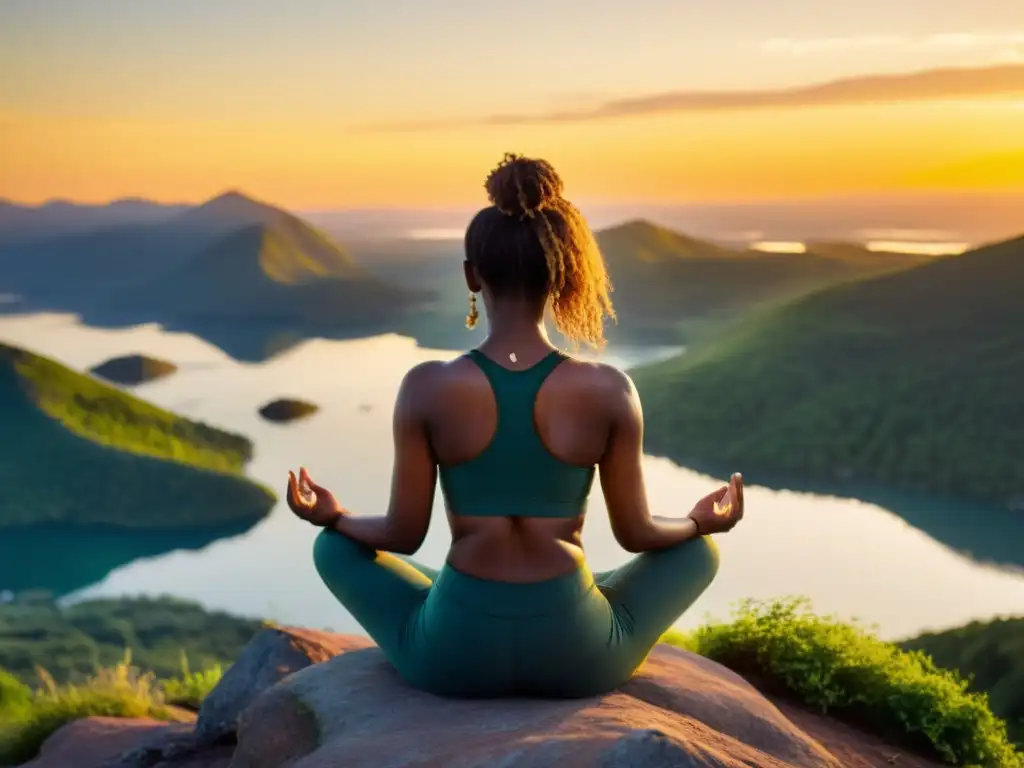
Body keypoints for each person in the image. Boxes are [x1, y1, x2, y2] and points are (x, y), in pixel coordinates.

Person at [286, 152, 744, 698]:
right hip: (577, 656)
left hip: (453, 656)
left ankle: (456, 599)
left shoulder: (426, 386)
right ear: (566, 273)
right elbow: (638, 534)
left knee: (332, 547)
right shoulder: (610, 390)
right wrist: (697, 523)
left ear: (472, 275)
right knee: (698, 552)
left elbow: (401, 534)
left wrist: (333, 515)